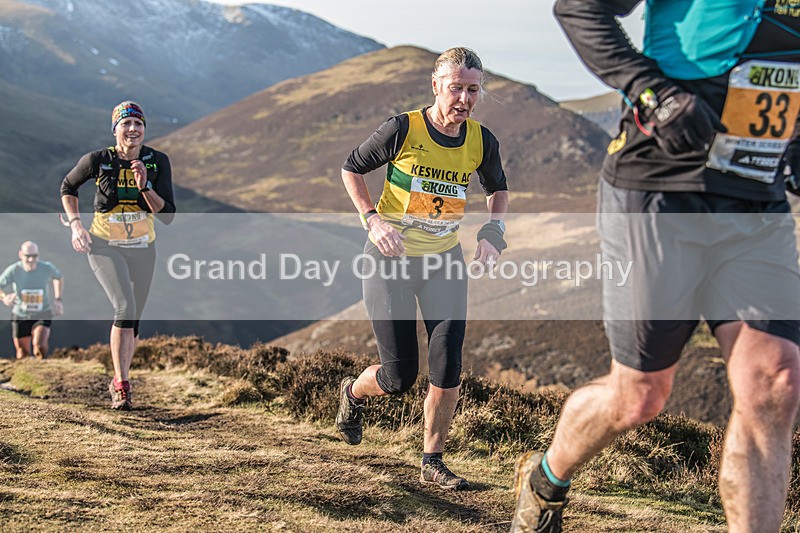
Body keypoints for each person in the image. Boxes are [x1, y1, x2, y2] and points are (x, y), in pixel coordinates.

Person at [511, 1, 800, 531]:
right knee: (639, 396)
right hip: (659, 190)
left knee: (774, 380)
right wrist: (655, 92)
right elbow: (578, 8)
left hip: (757, 197)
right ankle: (546, 478)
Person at [336, 47, 509, 490]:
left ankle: (433, 461)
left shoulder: (480, 141)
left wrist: (493, 232)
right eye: (456, 88)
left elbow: (498, 188)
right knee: (398, 378)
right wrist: (372, 220)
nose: (465, 99)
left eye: (473, 90)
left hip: (443, 262)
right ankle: (352, 393)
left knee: (448, 364)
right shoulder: (403, 128)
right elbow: (352, 168)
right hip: (389, 261)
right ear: (436, 86)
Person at [60, 101, 175, 411]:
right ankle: (121, 384)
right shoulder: (98, 160)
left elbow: (167, 216)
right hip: (103, 244)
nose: (133, 129)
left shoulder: (157, 161)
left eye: (138, 124)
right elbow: (68, 186)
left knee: (133, 318)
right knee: (124, 306)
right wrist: (75, 227)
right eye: (126, 124)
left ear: (144, 130)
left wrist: (145, 187)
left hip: (142, 247)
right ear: (115, 130)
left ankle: (120, 376)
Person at [0, 242, 64, 360]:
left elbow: (58, 277)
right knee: (22, 352)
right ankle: (25, 376)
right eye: (27, 256)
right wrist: (4, 298)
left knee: (39, 346)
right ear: (20, 254)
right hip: (20, 314)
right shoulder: (14, 270)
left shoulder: (46, 267)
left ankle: (42, 372)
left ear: (38, 255)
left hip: (42, 313)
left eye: (34, 256)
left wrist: (58, 299)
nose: (31, 259)